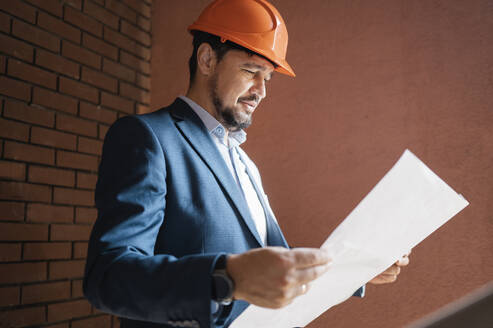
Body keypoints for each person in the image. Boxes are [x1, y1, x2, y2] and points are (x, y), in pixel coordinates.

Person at [83, 0, 410, 327]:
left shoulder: (243, 162)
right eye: (252, 71)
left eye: (267, 77)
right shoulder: (148, 137)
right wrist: (226, 279)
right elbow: (109, 277)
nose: (261, 91)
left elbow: (273, 266)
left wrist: (357, 266)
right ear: (207, 59)